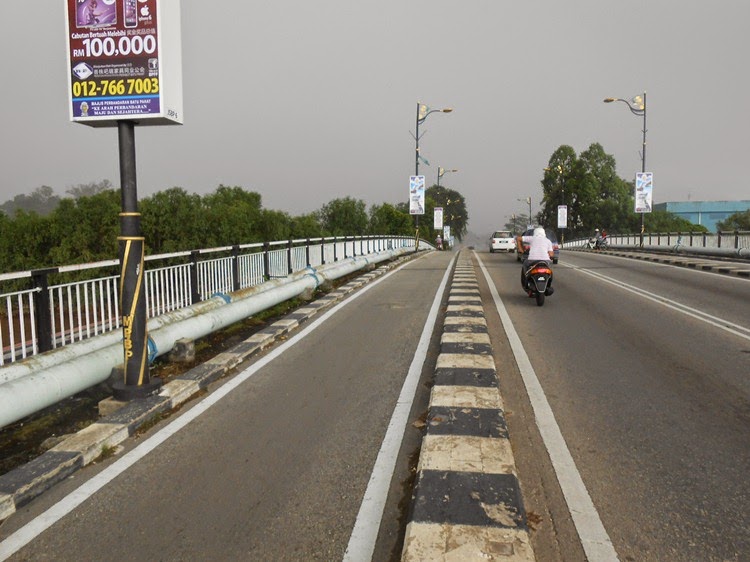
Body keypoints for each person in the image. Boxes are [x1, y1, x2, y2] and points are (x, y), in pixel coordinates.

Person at [518, 227, 554, 292]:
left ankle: (526, 279)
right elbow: (551, 254)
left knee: (525, 265)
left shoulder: (532, 238)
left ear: (535, 233)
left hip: (532, 260)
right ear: (544, 233)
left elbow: (518, 238)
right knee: (550, 272)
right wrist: (551, 257)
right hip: (545, 261)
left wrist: (521, 249)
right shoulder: (548, 241)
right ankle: (548, 285)